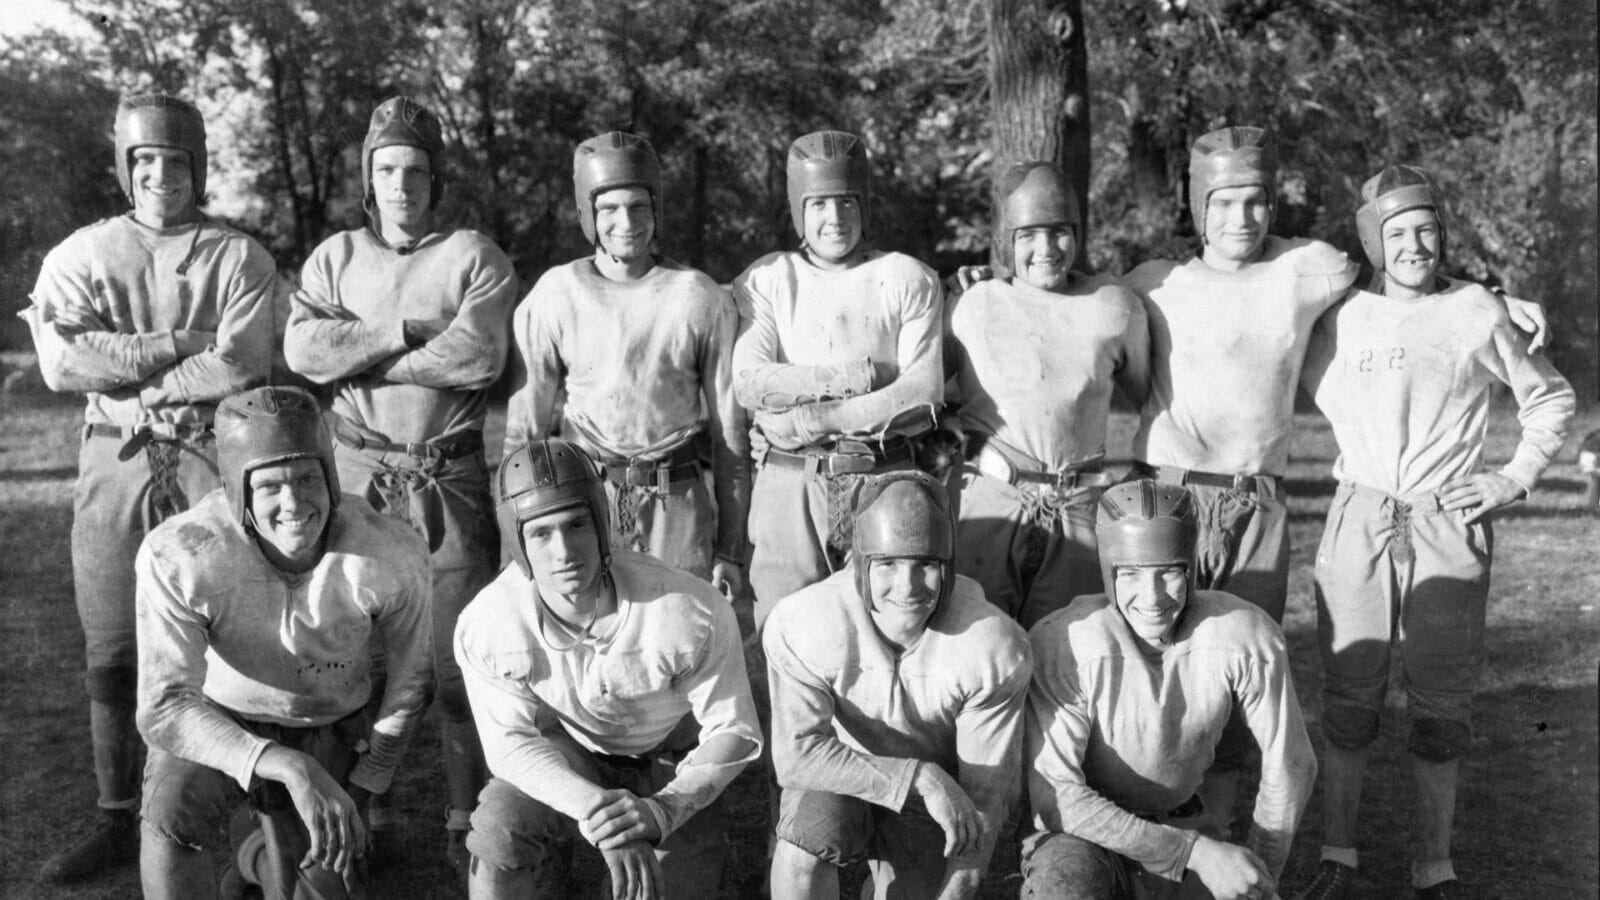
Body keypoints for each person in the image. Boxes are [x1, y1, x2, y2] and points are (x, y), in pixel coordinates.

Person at [1121, 125, 1546, 827]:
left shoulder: (1310, 268)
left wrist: (1498, 300)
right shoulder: (1152, 283)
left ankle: (1220, 831)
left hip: (1257, 504)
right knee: (1149, 661)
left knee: (1237, 666)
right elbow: (1098, 336)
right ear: (1198, 207)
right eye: (1223, 203)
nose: (1242, 219)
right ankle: (1133, 831)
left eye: (1256, 201)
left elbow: (1410, 283)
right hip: (1167, 496)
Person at [1295, 166, 1575, 900]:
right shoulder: (1336, 316)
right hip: (1360, 515)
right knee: (1350, 695)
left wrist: (1513, 477)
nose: (1414, 245)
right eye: (1396, 233)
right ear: (1370, 241)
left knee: (1441, 704)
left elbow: (1549, 400)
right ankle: (1338, 855)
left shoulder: (1476, 310)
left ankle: (1434, 866)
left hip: (1447, 519)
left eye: (1426, 229)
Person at [21, 92, 277, 882]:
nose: (160, 175)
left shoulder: (238, 257)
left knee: (228, 629)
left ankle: (237, 813)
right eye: (145, 160)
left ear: (198, 166)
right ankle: (115, 815)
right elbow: (63, 363)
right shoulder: (81, 253)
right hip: (116, 456)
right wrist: (177, 344)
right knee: (113, 638)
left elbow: (240, 363)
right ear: (125, 167)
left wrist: (127, 361)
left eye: (175, 160)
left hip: (210, 452)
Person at [284, 95, 519, 863]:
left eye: (416, 170)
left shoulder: (474, 256)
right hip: (357, 473)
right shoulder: (334, 258)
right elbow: (305, 353)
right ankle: (360, 816)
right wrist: (404, 330)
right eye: (386, 169)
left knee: (456, 661)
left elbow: (477, 357)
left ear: (435, 178)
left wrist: (368, 356)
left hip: (447, 478)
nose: (401, 184)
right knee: (351, 652)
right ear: (368, 178)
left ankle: (465, 823)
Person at [135, 386, 434, 899]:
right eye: (270, 486)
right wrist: (285, 764)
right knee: (171, 813)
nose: (293, 502)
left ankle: (257, 858)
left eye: (306, 478)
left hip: (330, 727)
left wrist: (365, 783)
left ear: (332, 478)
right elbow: (164, 708)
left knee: (314, 885)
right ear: (236, 492)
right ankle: (259, 851)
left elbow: (412, 681)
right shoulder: (182, 554)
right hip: (221, 722)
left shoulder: (390, 551)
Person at [457, 438, 762, 899]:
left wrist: (662, 812)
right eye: (541, 533)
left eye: (576, 524)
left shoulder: (684, 608)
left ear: (601, 522)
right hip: (572, 752)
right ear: (517, 542)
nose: (564, 550)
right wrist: (600, 815)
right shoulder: (489, 622)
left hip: (670, 764)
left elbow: (736, 731)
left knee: (656, 890)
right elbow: (510, 745)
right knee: (495, 842)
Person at [1023, 479, 1316, 900]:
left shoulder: (1242, 632)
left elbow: (1292, 765)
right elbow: (1059, 801)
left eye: (1169, 573)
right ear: (1108, 572)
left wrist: (1258, 873)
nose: (1153, 596)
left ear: (1191, 568)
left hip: (1182, 821)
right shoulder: (1065, 640)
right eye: (1132, 575)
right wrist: (1195, 855)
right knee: (1064, 885)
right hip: (1082, 835)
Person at [763, 472, 1032, 899]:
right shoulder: (805, 621)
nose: (907, 587)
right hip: (845, 775)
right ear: (859, 563)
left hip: (937, 802)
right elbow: (796, 758)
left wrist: (958, 887)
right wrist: (918, 776)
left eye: (925, 564)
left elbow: (985, 798)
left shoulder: (992, 646)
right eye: (887, 564)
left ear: (949, 566)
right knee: (800, 858)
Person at [504, 131, 749, 598]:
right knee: (589, 631)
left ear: (657, 209)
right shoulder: (557, 294)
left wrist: (730, 550)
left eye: (639, 206)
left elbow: (730, 437)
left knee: (679, 630)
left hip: (675, 499)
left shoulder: (698, 295)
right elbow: (523, 437)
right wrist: (518, 547)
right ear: (587, 213)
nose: (626, 222)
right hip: (585, 494)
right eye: (609, 209)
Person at [732, 130, 945, 623]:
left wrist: (813, 419)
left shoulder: (906, 277)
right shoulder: (768, 279)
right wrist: (863, 375)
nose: (835, 219)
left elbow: (922, 390)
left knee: (888, 622)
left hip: (882, 472)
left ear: (864, 205)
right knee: (786, 627)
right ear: (798, 209)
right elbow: (750, 382)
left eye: (847, 202)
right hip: (791, 479)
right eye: (820, 204)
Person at [944, 160, 1150, 629]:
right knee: (979, 644)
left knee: (1070, 655)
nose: (1046, 249)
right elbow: (927, 391)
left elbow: (1150, 398)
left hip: (1079, 508)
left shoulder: (1113, 308)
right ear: (1004, 240)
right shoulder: (974, 305)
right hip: (993, 503)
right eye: (1027, 235)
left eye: (1059, 231)